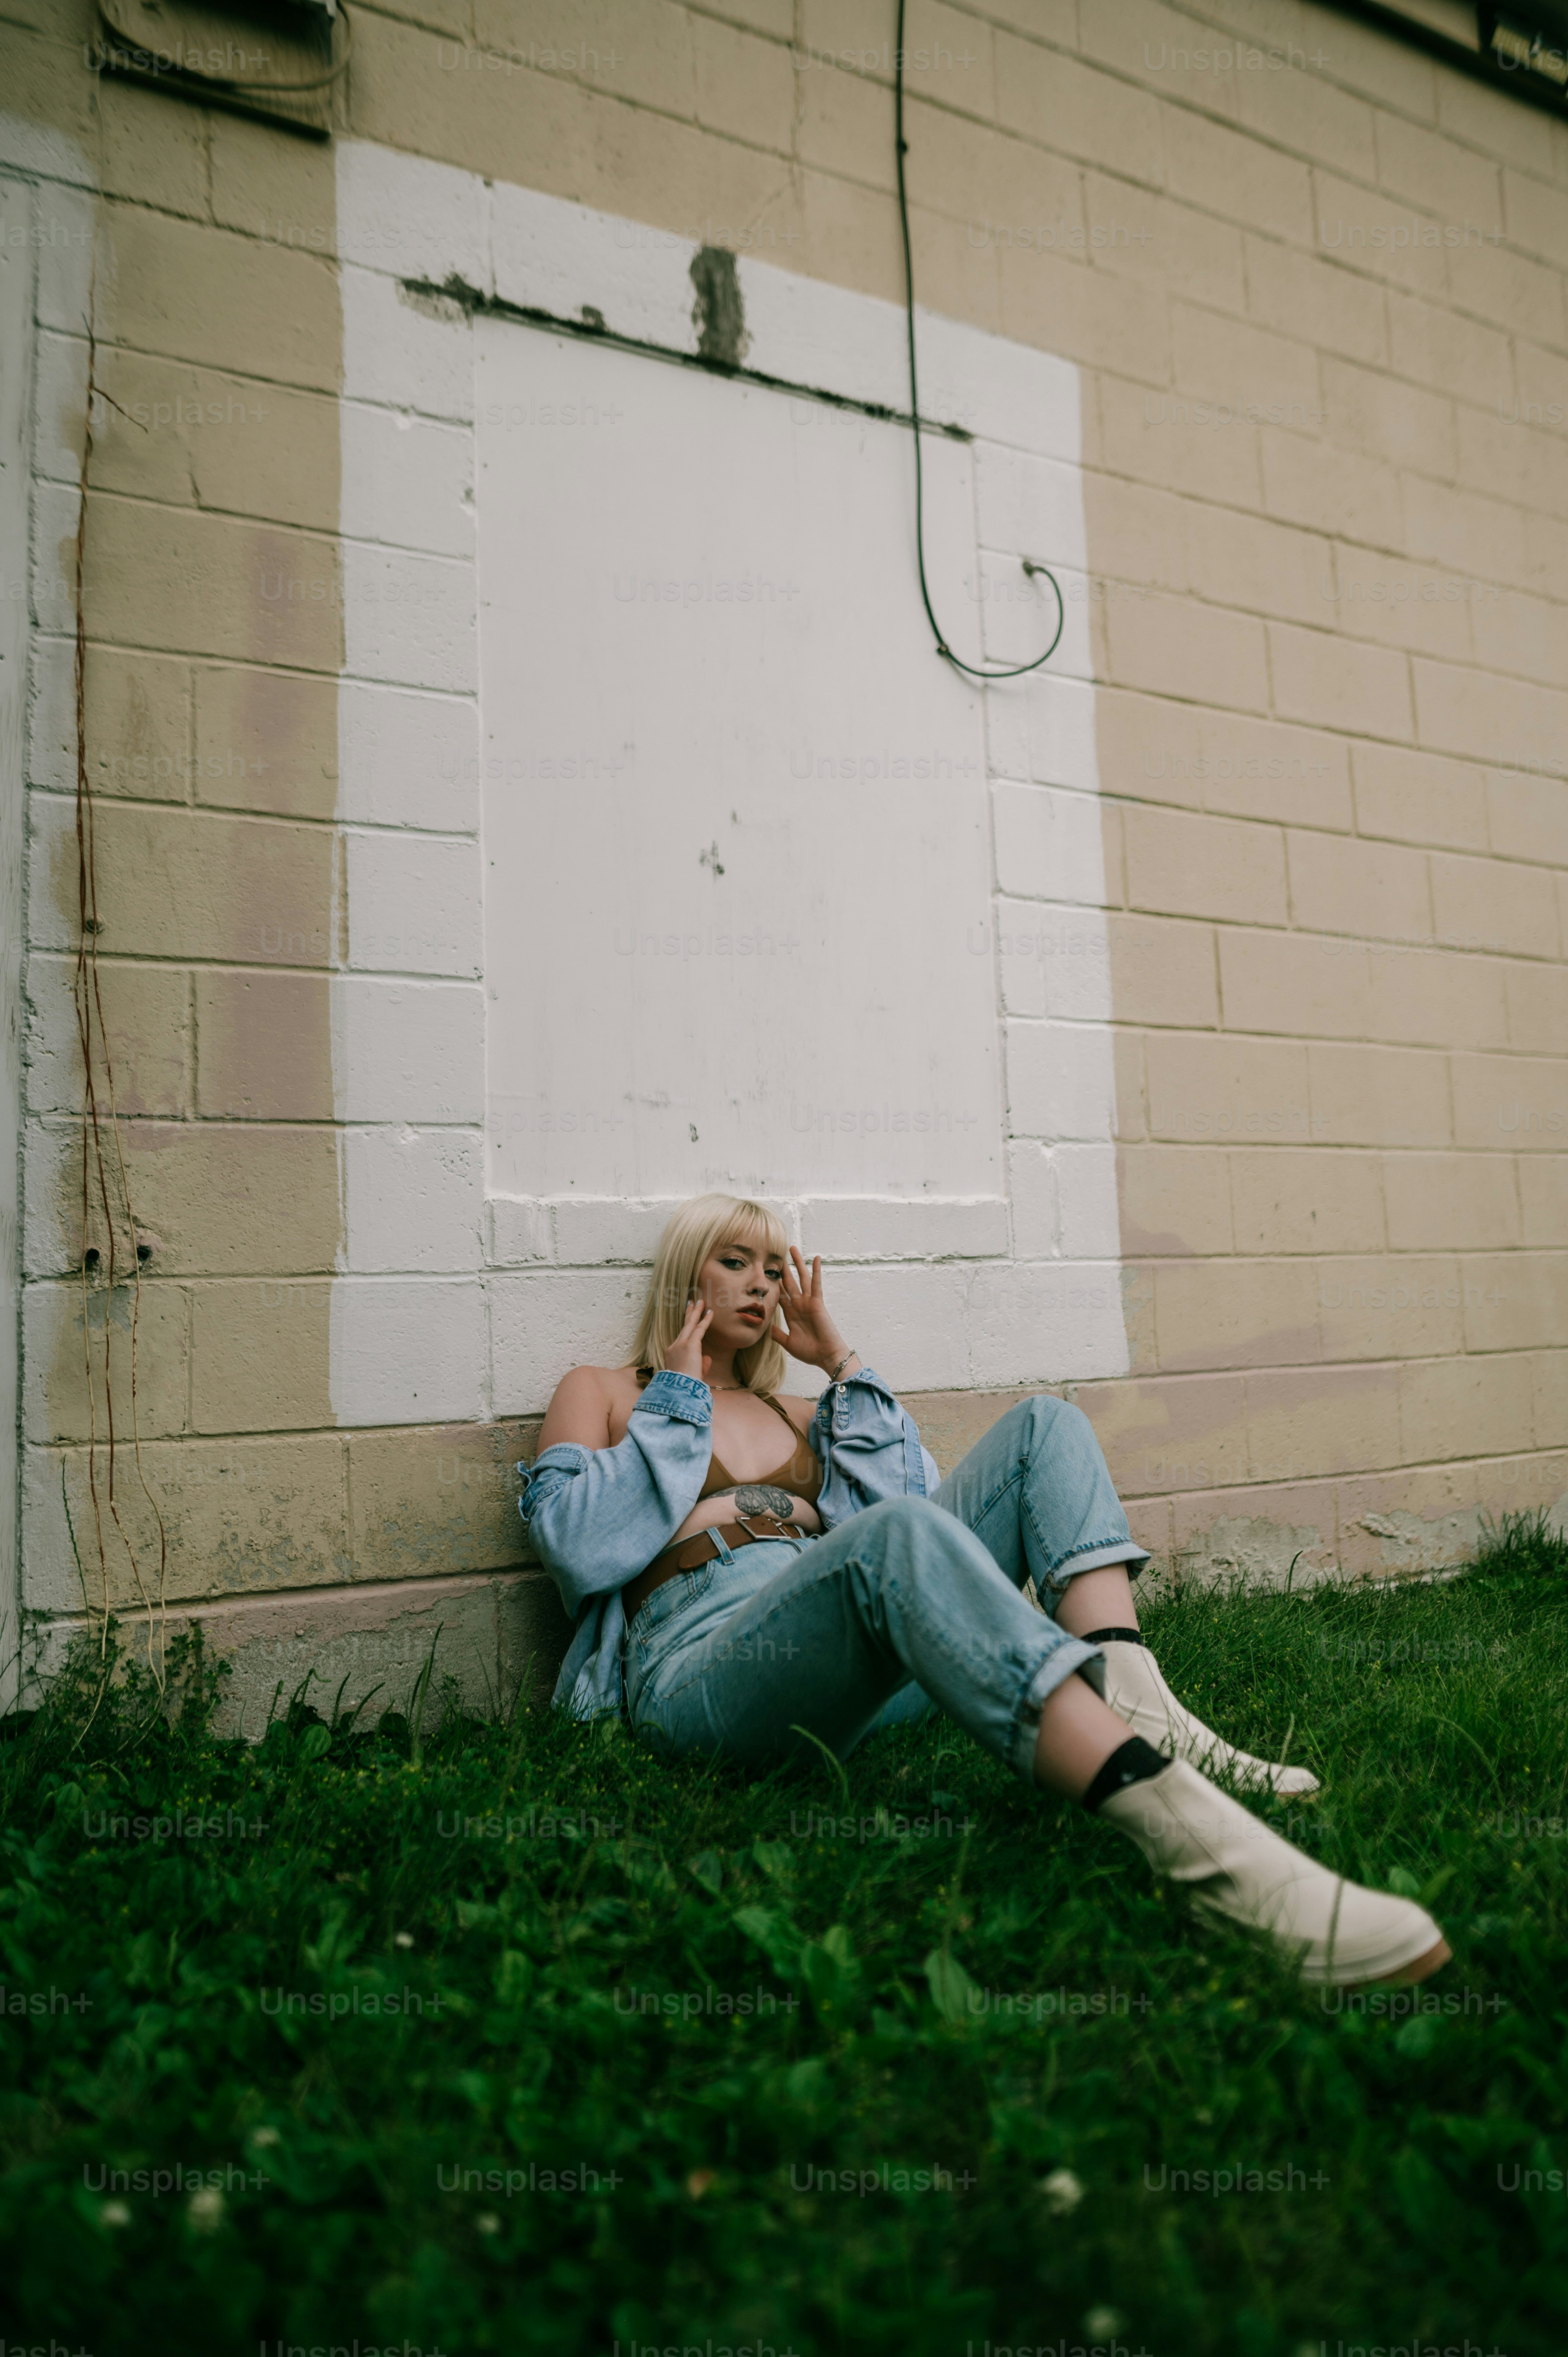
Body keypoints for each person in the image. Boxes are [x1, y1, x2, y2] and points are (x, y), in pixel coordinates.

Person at [521, 1193, 1448, 1989]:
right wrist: (678, 1397)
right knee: (894, 1537)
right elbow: (577, 1550)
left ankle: (1131, 1692)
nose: (763, 1285)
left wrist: (840, 1366)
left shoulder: (800, 1410)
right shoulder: (601, 1391)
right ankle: (1207, 1856)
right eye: (735, 1263)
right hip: (706, 1671)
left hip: (847, 1668)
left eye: (776, 1268)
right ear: (684, 1274)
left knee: (1044, 1426)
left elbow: (915, 1512)